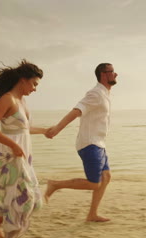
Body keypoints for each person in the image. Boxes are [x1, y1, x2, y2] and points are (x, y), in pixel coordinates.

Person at [0, 59, 46, 238]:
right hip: (10, 160)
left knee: (30, 201)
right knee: (25, 201)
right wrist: (14, 146)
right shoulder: (7, 99)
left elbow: (22, 130)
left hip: (23, 159)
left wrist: (45, 131)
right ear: (23, 80)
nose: (35, 89)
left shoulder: (22, 102)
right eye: (34, 83)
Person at [44, 63, 118, 222]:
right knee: (94, 184)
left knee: (106, 177)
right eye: (112, 72)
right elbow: (77, 111)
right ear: (103, 74)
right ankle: (55, 184)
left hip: (99, 143)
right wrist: (57, 128)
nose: (115, 74)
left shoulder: (105, 93)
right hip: (90, 144)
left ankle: (92, 214)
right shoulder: (95, 93)